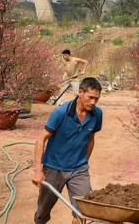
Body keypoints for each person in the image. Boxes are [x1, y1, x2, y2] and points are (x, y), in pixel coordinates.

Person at [32, 77, 103, 224]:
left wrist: (84, 162)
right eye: (90, 97)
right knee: (43, 211)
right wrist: (38, 170)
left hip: (79, 169)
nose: (93, 102)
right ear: (80, 92)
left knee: (83, 211)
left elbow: (91, 138)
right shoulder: (61, 113)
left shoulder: (97, 114)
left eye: (96, 99)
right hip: (54, 167)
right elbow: (41, 139)